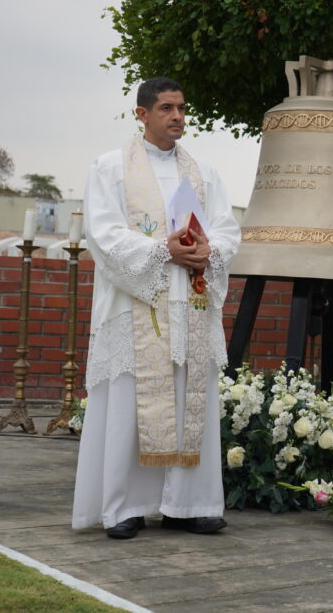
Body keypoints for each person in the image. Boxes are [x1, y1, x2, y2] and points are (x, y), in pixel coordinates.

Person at [72, 77, 241, 539]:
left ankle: (188, 504)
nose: (178, 117)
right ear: (142, 114)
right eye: (166, 108)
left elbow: (228, 228)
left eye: (182, 108)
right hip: (137, 306)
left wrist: (210, 250)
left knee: (191, 401)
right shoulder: (110, 168)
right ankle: (125, 506)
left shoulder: (203, 173)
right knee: (130, 402)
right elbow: (103, 233)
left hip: (192, 304)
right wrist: (162, 250)